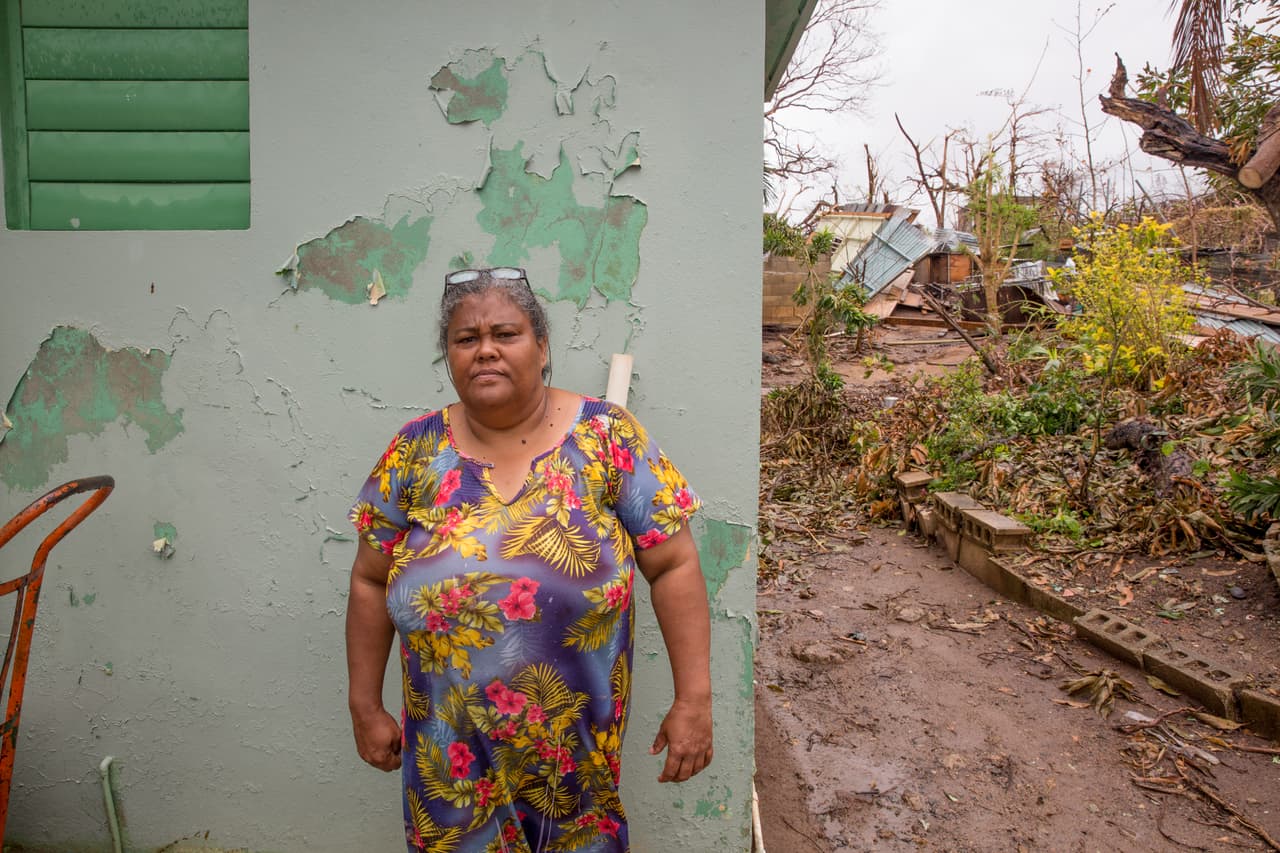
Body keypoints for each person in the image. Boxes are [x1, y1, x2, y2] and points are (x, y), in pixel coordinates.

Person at [345, 267, 713, 852]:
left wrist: (694, 699)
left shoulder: (608, 438)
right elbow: (369, 580)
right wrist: (364, 705)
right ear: (448, 356)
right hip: (449, 778)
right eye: (466, 338)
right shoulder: (415, 450)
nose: (485, 350)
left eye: (505, 334)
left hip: (574, 775)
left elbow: (674, 565)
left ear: (542, 347)